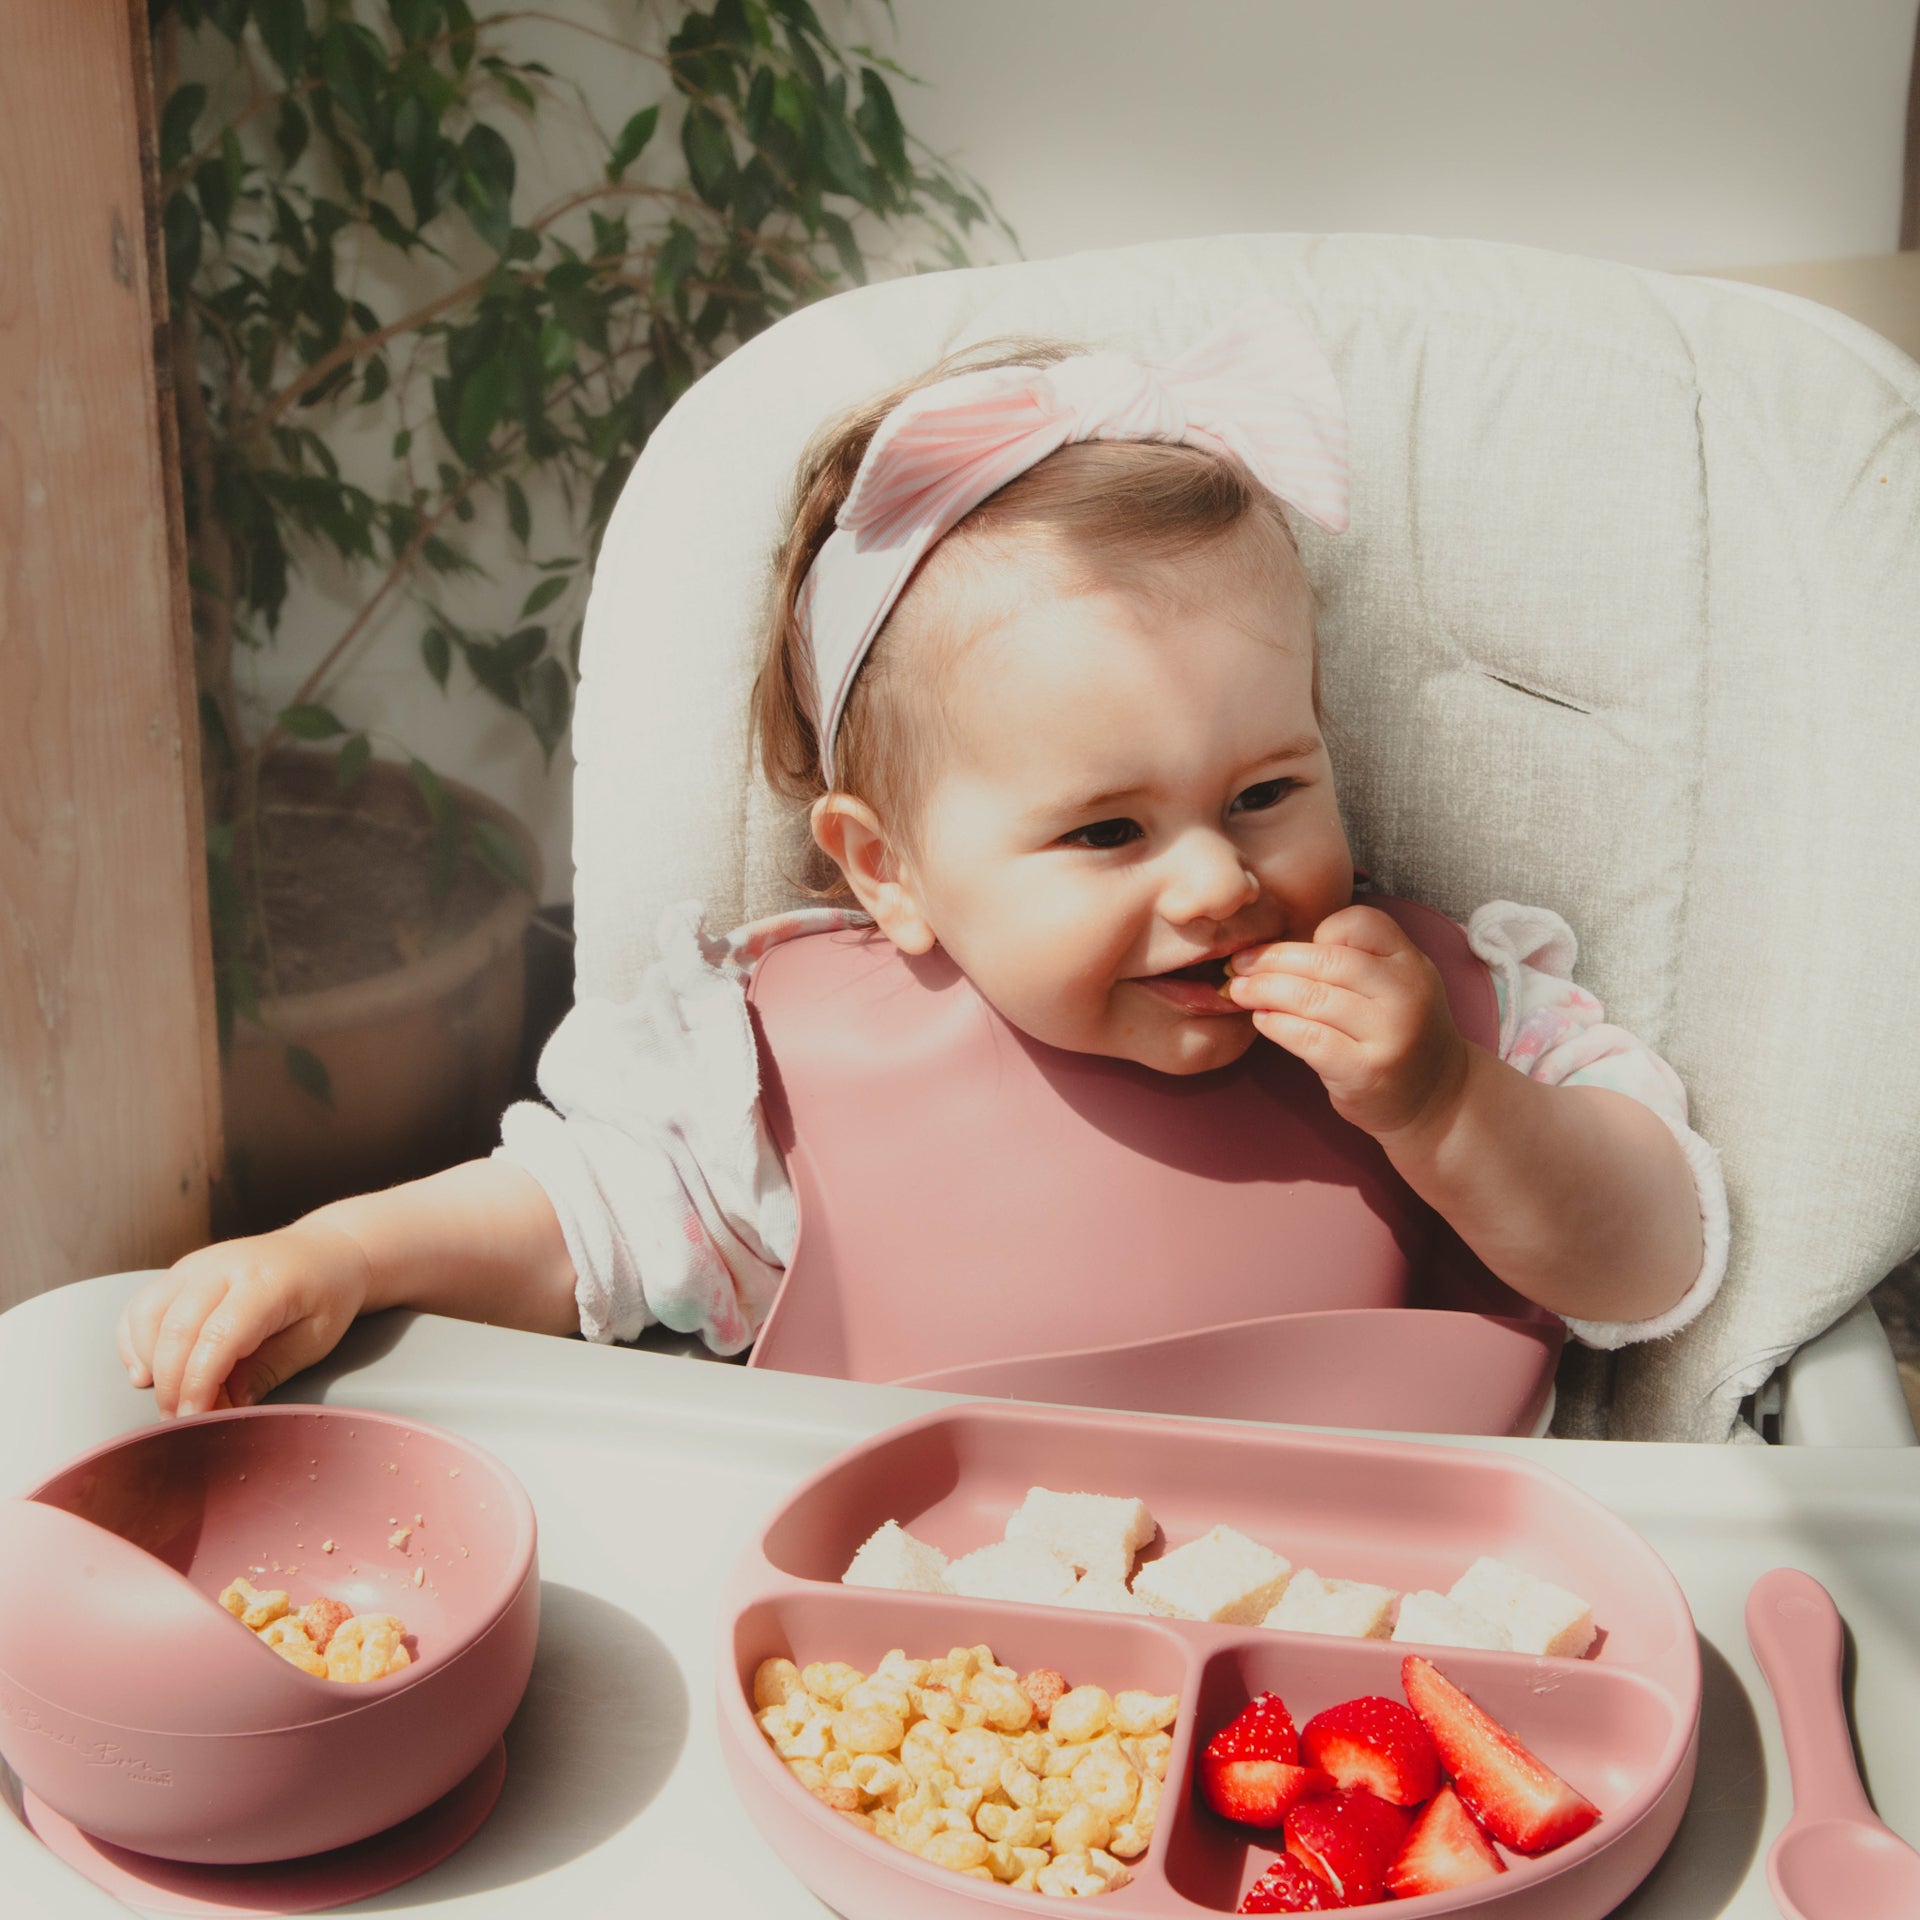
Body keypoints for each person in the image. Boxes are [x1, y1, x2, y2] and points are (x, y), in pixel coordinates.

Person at [119, 301, 1727, 1420]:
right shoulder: (777, 1086)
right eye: (1106, 829)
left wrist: (1450, 1108)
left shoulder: (1454, 1013)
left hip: (1368, 1696)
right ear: (885, 869)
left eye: (1266, 790)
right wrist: (333, 1253)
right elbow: (567, 1231)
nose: (1218, 885)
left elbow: (1655, 1265)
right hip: (915, 1699)